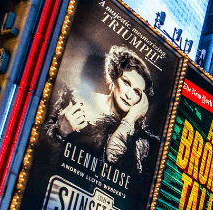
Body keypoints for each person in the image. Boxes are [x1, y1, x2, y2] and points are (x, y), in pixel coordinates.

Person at [45, 45, 156, 175]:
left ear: (142, 100)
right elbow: (43, 156)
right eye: (126, 83)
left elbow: (114, 158)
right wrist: (60, 133)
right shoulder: (76, 101)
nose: (129, 95)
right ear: (113, 78)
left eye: (136, 92)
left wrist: (130, 118)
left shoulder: (139, 138)